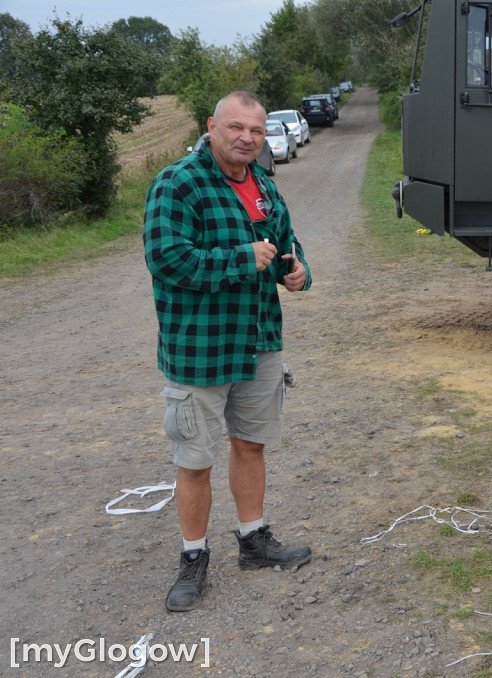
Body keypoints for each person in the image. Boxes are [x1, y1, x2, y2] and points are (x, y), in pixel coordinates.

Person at [143, 91, 313, 612]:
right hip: (201, 349)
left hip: (259, 341)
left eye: (256, 132)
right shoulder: (178, 182)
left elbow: (287, 243)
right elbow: (167, 260)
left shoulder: (262, 184)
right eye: (237, 128)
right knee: (195, 460)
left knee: (251, 445)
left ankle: (253, 539)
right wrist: (242, 258)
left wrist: (299, 270)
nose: (247, 138)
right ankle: (193, 557)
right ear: (211, 125)